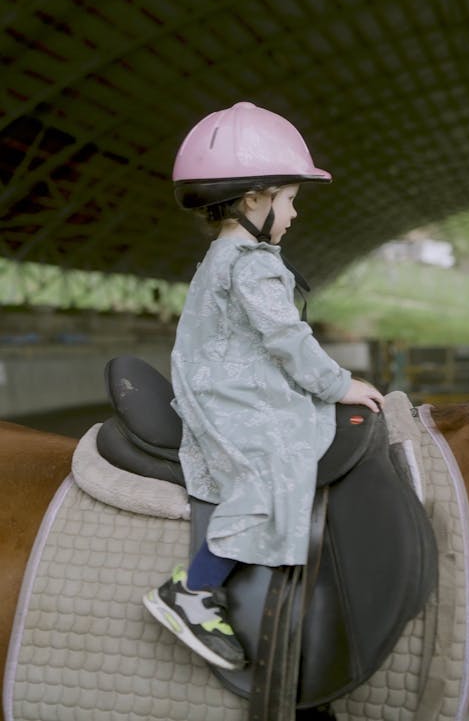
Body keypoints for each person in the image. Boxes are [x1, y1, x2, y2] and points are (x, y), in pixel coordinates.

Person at [143, 101, 384, 671]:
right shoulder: (252, 263)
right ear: (254, 199)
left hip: (223, 375)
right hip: (229, 389)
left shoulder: (226, 254)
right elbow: (286, 337)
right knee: (271, 467)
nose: (295, 214)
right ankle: (192, 590)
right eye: (290, 199)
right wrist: (337, 383)